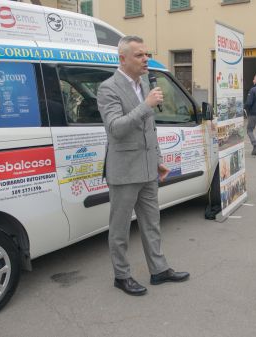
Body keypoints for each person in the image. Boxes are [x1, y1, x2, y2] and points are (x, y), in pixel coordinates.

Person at [97, 35, 189, 296]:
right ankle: (122, 275)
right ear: (123, 58)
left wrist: (158, 160)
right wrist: (146, 105)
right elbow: (115, 129)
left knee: (152, 223)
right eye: (139, 55)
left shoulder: (144, 85)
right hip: (125, 171)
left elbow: (150, 128)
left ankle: (159, 270)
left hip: (148, 169)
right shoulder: (109, 88)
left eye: (146, 54)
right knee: (120, 229)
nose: (146, 58)